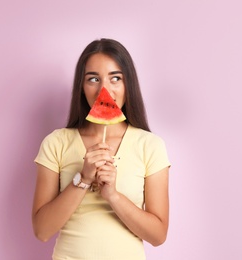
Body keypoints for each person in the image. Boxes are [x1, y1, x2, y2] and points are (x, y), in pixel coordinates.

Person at [32, 38, 171, 260]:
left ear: (129, 84)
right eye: (93, 79)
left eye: (115, 78)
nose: (103, 89)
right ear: (81, 86)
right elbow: (42, 230)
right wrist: (83, 179)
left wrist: (113, 195)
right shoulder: (56, 142)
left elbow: (158, 236)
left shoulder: (150, 146)